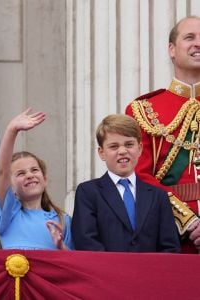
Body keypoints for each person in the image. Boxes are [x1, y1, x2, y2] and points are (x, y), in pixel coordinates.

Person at [126, 16, 200, 253]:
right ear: (171, 49)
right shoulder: (143, 110)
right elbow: (139, 174)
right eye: (190, 37)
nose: (198, 43)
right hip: (168, 234)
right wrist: (188, 221)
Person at [71, 114, 180, 252]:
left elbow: (170, 246)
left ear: (139, 148)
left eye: (129, 144)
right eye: (114, 146)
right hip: (106, 271)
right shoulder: (88, 192)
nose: (122, 151)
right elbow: (86, 241)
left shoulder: (158, 196)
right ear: (101, 153)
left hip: (150, 272)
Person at [0, 109, 73, 250]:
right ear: (12, 188)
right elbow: (2, 172)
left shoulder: (62, 220)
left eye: (34, 170)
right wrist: (12, 131)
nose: (29, 175)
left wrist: (60, 245)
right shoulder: (8, 215)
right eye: (20, 173)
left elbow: (73, 262)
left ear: (45, 179)